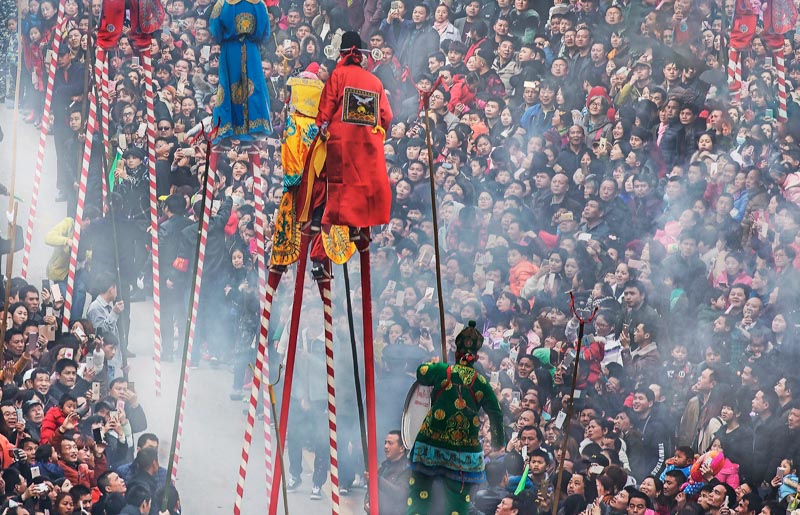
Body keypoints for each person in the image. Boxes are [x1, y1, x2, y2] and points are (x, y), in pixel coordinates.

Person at [406, 321, 505, 514]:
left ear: (457, 351)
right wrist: (497, 443)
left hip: (430, 446)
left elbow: (421, 373)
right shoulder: (482, 383)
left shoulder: (441, 370)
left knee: (419, 495)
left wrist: (436, 363)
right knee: (458, 503)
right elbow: (496, 413)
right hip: (464, 452)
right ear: (475, 357)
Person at [364, 430, 410, 514]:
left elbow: (400, 494)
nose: (386, 446)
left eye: (390, 443)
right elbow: (371, 490)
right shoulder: (384, 467)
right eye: (385, 443)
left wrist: (376, 479)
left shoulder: (407, 469)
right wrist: (367, 502)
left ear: (402, 448)